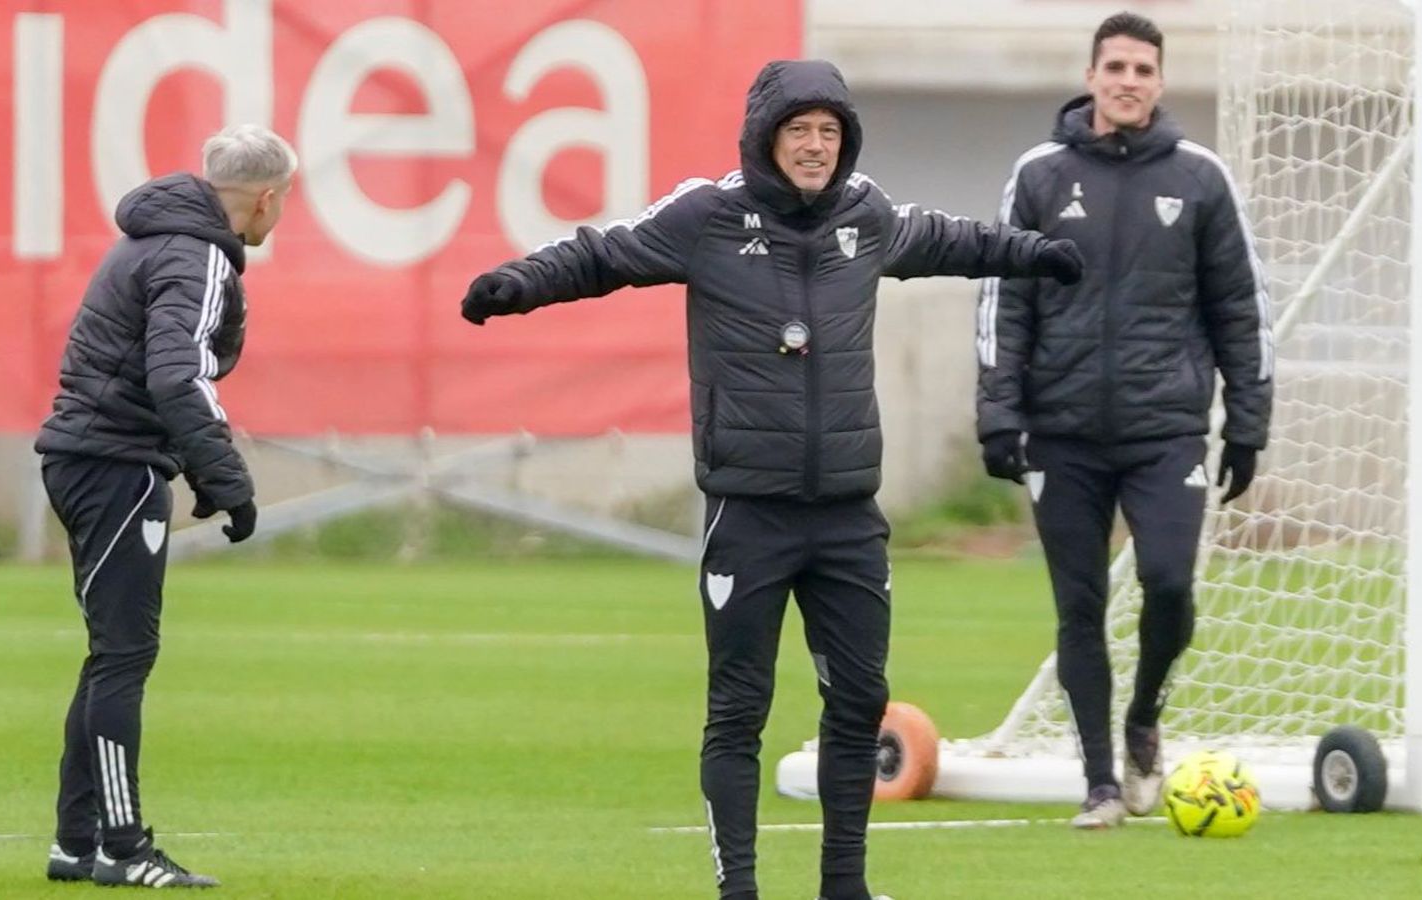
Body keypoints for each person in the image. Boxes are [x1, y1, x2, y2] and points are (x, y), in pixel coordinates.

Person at [462, 59, 1082, 900]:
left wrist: (1037, 255)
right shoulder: (706, 216)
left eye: (830, 132)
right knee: (739, 710)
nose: (817, 147)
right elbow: (602, 253)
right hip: (748, 513)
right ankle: (739, 890)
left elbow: (950, 239)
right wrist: (517, 286)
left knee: (861, 701)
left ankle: (844, 886)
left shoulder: (868, 216)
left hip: (847, 515)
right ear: (767, 137)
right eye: (801, 132)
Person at [975, 11, 1273, 829]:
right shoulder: (1039, 173)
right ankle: (1101, 783)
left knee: (1170, 583)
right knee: (1078, 609)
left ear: (1160, 82)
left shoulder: (1201, 178)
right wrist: (999, 412)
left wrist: (1247, 421)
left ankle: (1145, 717)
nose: (1129, 82)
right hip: (1060, 433)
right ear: (1092, 75)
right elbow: (1005, 298)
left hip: (1165, 428)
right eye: (1116, 67)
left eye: (1144, 69)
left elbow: (1240, 309)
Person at [34, 124, 297, 886]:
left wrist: (201, 471)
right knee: (125, 657)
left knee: (108, 655)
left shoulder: (152, 240)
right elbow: (177, 376)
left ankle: (75, 843)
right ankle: (122, 848)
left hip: (85, 457)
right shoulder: (200, 253)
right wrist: (228, 478)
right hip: (115, 465)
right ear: (267, 198)